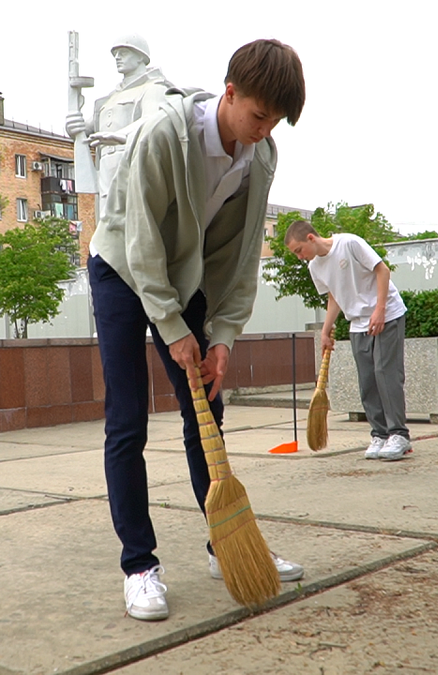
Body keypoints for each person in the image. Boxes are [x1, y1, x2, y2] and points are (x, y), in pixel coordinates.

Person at [87, 39, 306, 621]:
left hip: (182, 277)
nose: (264, 130)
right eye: (258, 115)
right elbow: (140, 239)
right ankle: (140, 566)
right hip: (120, 268)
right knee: (128, 418)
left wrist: (223, 337)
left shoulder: (261, 155)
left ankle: (225, 545)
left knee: (205, 408)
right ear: (229, 92)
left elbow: (239, 257)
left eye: (276, 121)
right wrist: (171, 324)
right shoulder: (165, 132)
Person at [285, 220, 411, 462]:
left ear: (311, 238)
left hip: (387, 314)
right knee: (367, 380)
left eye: (299, 250)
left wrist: (380, 309)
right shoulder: (315, 267)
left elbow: (382, 270)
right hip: (357, 323)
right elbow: (334, 296)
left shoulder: (349, 243)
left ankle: (399, 434)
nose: (300, 257)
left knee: (385, 372)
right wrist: (325, 329)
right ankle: (380, 434)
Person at [65, 35, 172, 218]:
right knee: (108, 224)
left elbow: (153, 119)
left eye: (123, 52)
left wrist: (120, 135)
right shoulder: (110, 98)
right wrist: (73, 126)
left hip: (134, 162)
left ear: (140, 56)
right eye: (115, 54)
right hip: (106, 168)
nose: (117, 58)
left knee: (134, 222)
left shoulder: (154, 88)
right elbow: (86, 130)